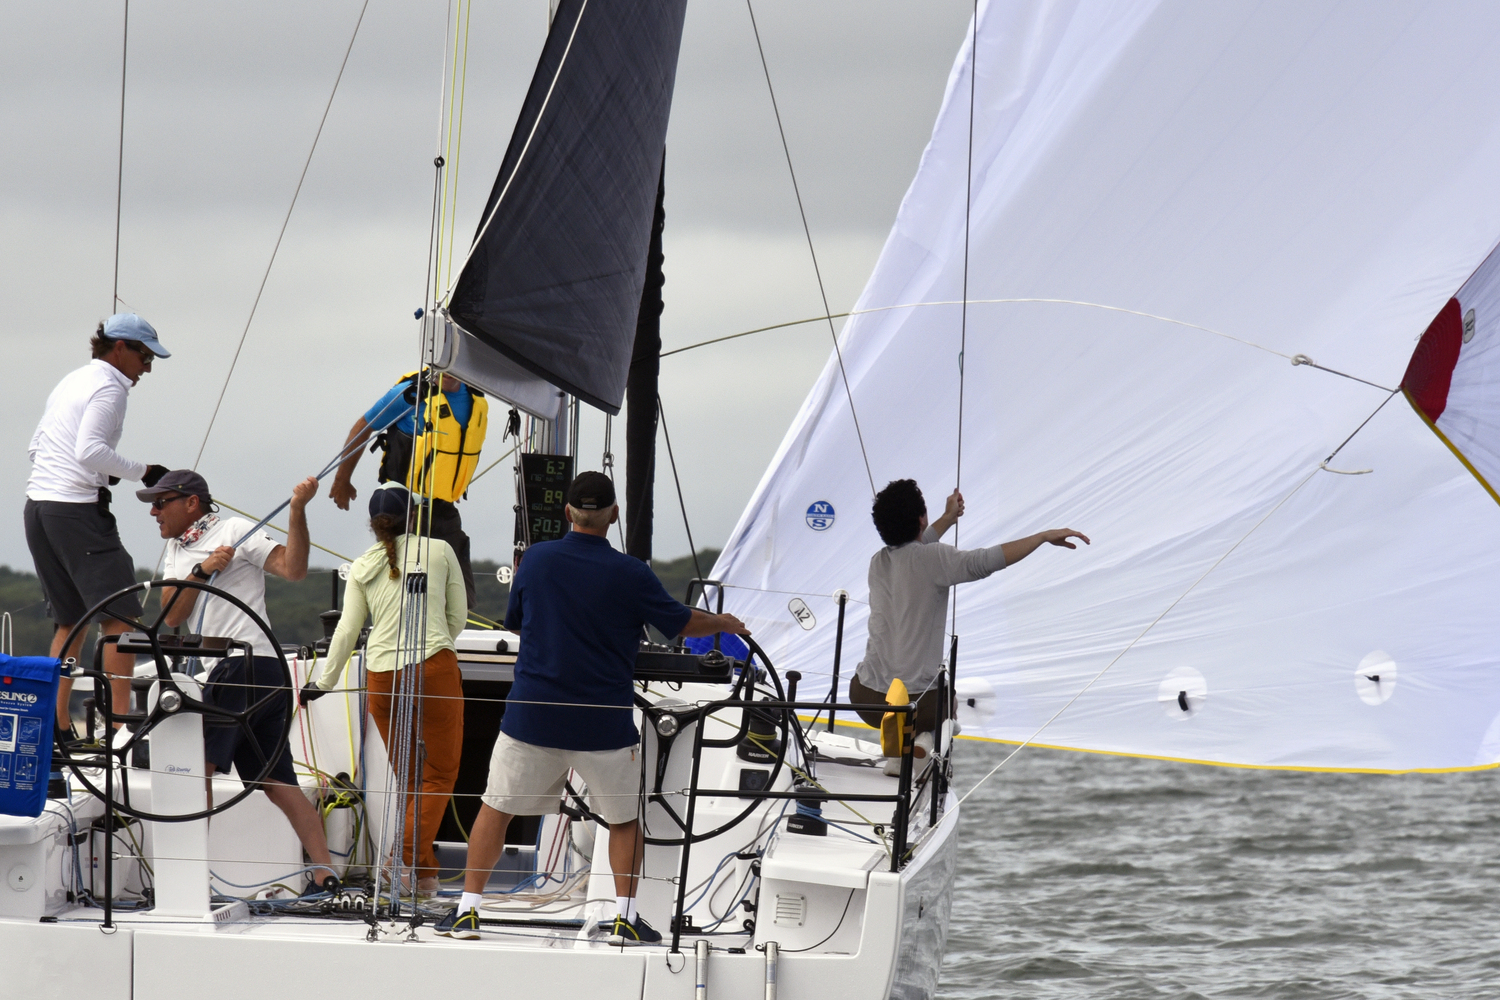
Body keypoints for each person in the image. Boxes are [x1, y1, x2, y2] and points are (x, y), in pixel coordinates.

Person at [436, 471, 749, 945]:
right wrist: (726, 621)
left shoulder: (536, 560)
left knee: (495, 809)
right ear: (614, 516)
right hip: (602, 724)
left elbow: (517, 623)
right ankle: (625, 920)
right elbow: (682, 623)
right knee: (624, 820)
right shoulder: (632, 573)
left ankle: (466, 913)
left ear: (567, 514)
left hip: (532, 717)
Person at [142, 469, 339, 893]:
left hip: (242, 667)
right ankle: (326, 875)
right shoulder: (178, 550)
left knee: (198, 771)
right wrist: (202, 569)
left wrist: (298, 511)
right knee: (277, 783)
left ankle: (186, 883)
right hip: (262, 673)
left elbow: (294, 569)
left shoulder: (233, 529)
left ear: (190, 502)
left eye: (161, 503)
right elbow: (172, 616)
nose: (154, 512)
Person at [851, 479, 1089, 769]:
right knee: (948, 703)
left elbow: (914, 547)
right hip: (913, 706)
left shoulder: (878, 562)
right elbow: (985, 561)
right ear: (921, 518)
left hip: (864, 698)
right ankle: (919, 746)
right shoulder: (934, 557)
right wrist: (1042, 537)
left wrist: (949, 519)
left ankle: (908, 746)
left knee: (930, 700)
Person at [305, 485, 467, 896]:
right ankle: (402, 858)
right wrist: (434, 648)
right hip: (432, 666)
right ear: (412, 516)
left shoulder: (361, 565)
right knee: (440, 774)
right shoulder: (440, 550)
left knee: (412, 777)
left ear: (374, 525)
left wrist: (323, 682)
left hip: (380, 676)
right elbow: (457, 618)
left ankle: (425, 878)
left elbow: (346, 630)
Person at [26, 314, 171, 728]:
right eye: (144, 356)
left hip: (38, 508)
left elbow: (38, 448)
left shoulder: (72, 380)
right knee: (121, 618)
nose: (147, 367)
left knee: (70, 620)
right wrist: (143, 471)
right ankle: (118, 727)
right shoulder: (110, 389)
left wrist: (101, 473)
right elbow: (89, 450)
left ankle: (54, 727)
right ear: (120, 348)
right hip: (75, 512)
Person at [327, 369, 487, 606]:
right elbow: (364, 425)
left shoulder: (475, 399)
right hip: (401, 506)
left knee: (460, 599)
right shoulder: (410, 394)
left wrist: (451, 482)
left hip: (442, 508)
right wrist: (342, 479)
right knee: (401, 595)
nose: (448, 372)